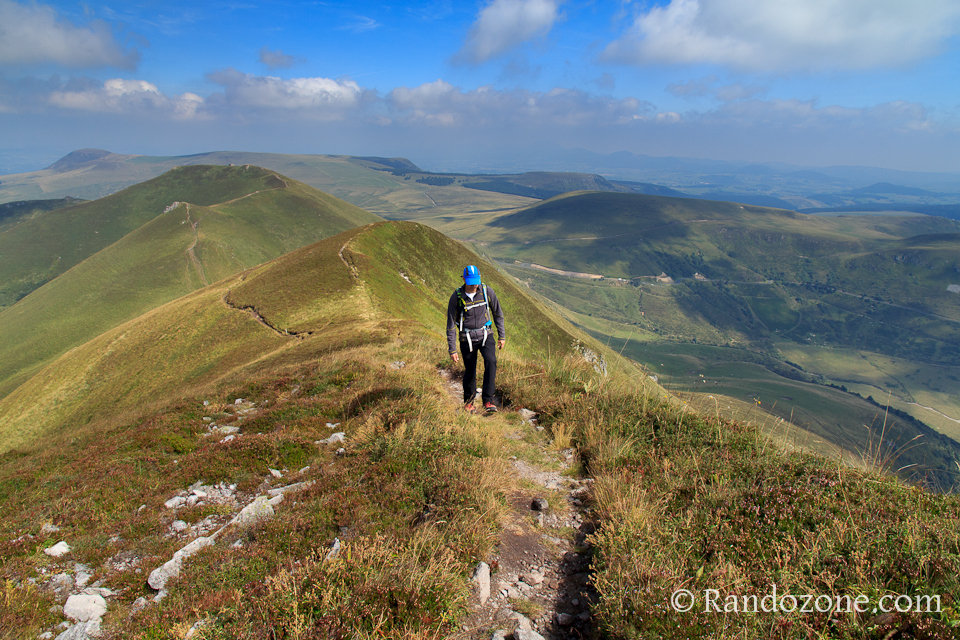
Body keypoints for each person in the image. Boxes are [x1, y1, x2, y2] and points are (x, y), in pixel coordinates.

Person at [446, 265, 506, 412]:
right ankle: (469, 403)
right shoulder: (457, 297)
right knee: (470, 370)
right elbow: (451, 325)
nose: (474, 285)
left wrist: (501, 335)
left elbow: (498, 313)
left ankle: (488, 401)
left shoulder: (487, 291)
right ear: (464, 279)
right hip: (467, 339)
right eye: (471, 281)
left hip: (486, 335)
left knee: (491, 362)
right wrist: (452, 349)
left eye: (476, 281)